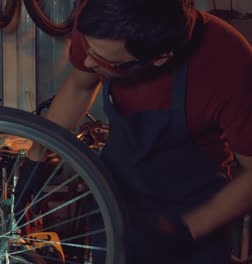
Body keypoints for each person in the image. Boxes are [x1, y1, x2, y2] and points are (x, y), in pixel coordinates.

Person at [18, 0, 252, 263]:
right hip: (116, 203)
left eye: (104, 61)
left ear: (160, 58)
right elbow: (79, 87)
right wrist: (36, 159)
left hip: (195, 216)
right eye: (88, 48)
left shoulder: (228, 60)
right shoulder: (101, 16)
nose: (86, 60)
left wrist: (186, 229)